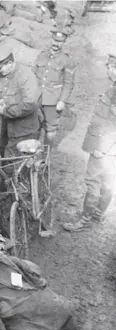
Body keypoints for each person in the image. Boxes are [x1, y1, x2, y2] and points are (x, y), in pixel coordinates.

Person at [63, 53, 116, 232]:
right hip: (106, 146)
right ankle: (98, 213)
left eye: (115, 68)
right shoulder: (113, 88)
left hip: (105, 147)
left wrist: (104, 149)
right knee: (107, 180)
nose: (111, 71)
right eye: (110, 67)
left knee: (93, 180)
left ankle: (85, 220)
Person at [0, 46, 41, 157]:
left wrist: (5, 110)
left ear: (10, 63)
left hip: (24, 132)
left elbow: (30, 104)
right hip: (7, 129)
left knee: (15, 164)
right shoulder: (3, 75)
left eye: (0, 68)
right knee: (2, 157)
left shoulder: (26, 76)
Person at [33, 29, 76, 145]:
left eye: (60, 42)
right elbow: (33, 74)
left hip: (52, 100)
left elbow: (68, 83)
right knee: (33, 126)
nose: (56, 44)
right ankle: (31, 153)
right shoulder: (42, 55)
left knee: (50, 129)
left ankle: (45, 157)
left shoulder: (66, 60)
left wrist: (62, 101)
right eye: (54, 40)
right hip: (37, 97)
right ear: (51, 39)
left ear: (64, 43)